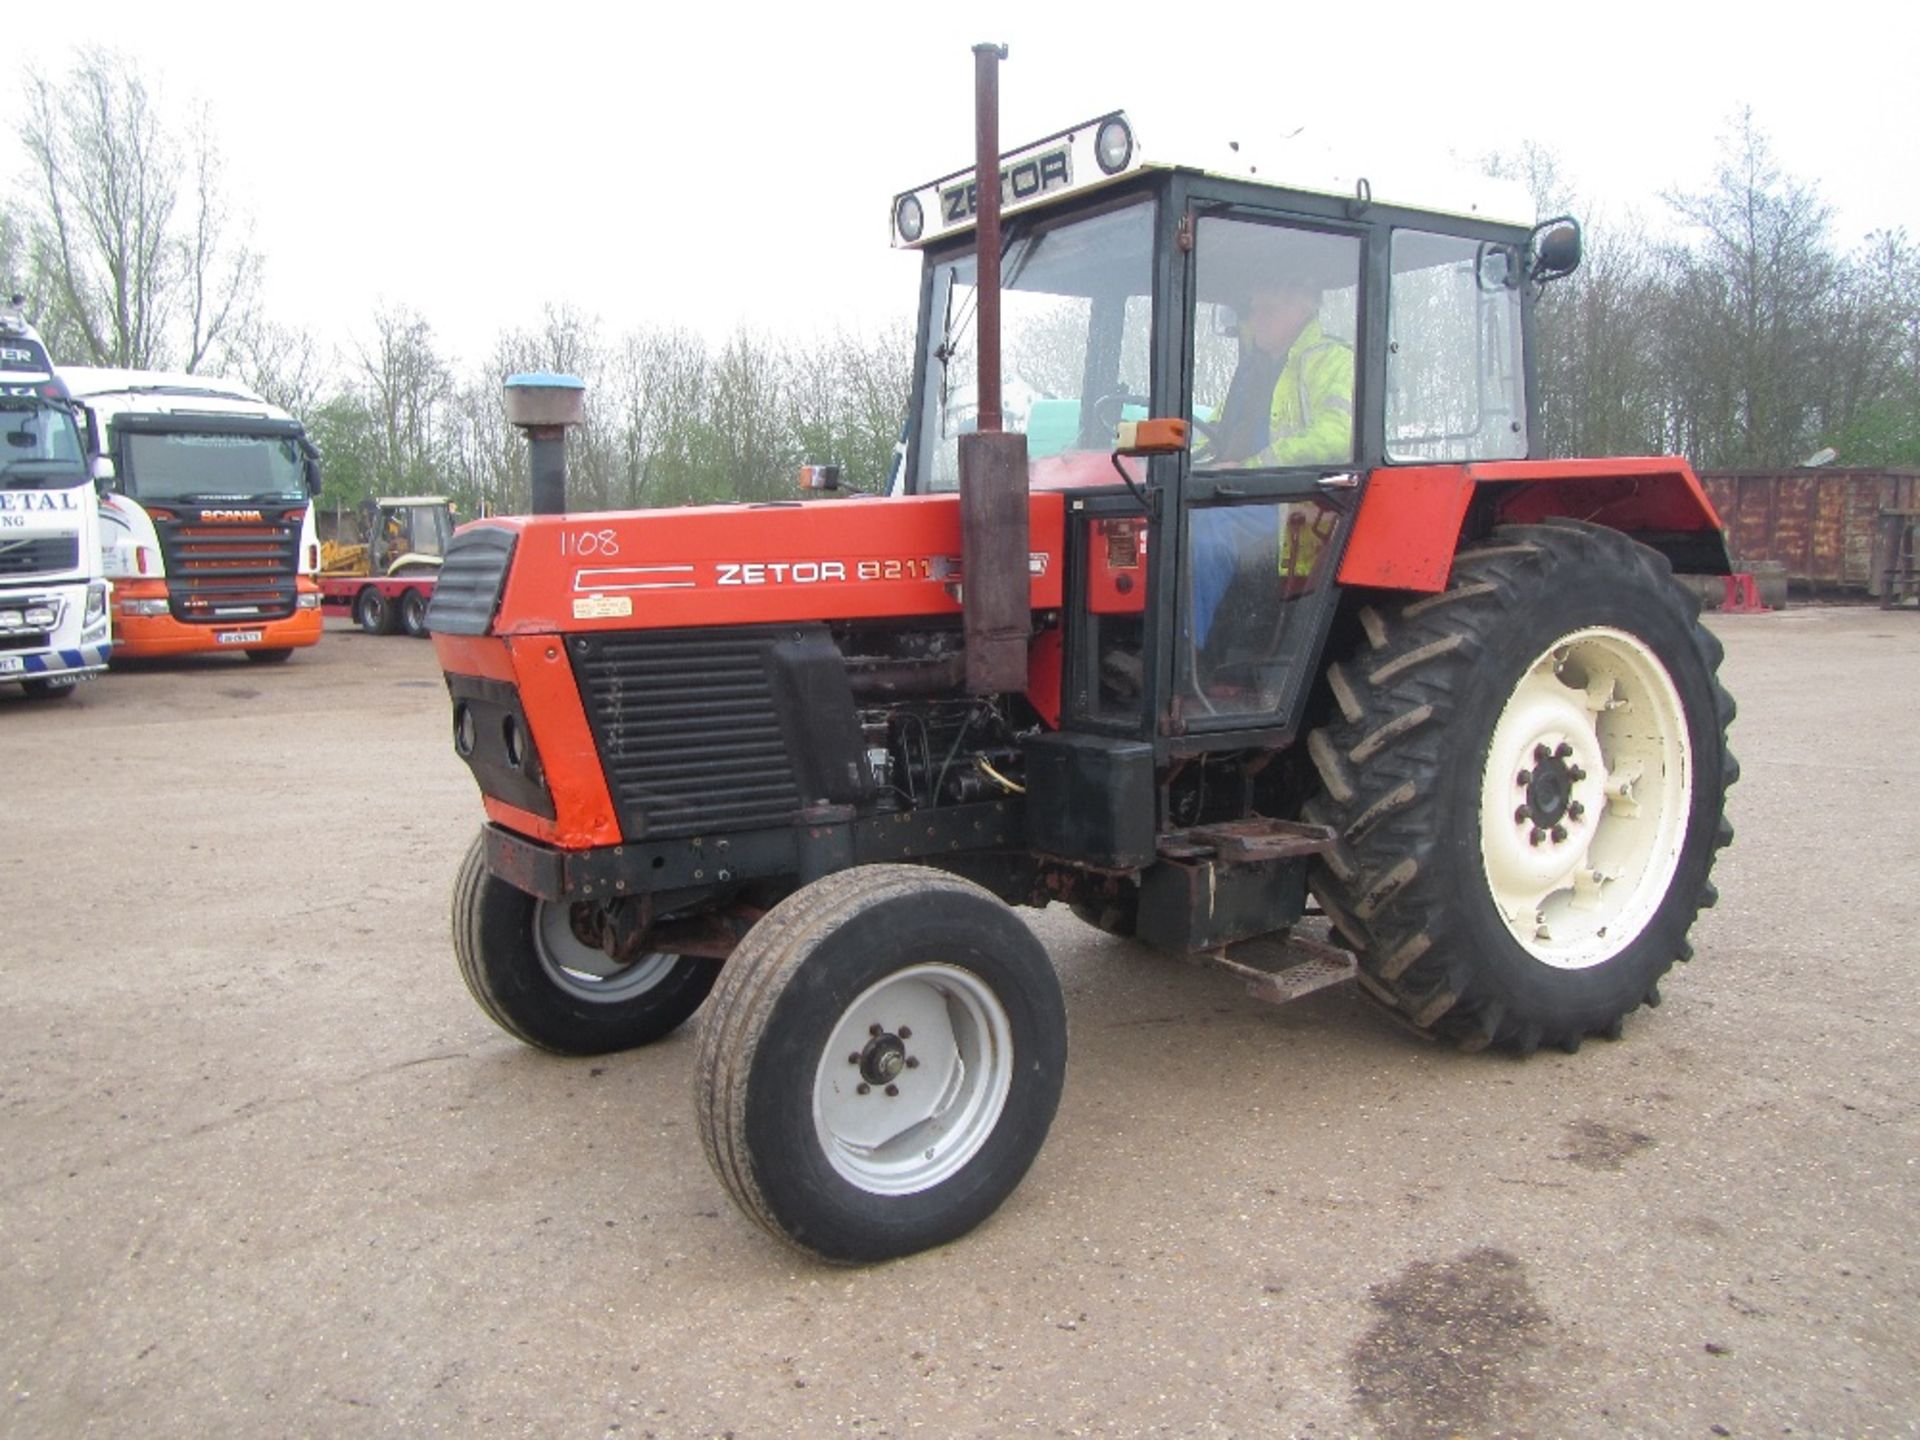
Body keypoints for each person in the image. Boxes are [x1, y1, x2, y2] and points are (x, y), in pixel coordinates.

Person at [1190, 277, 1355, 649]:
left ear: (1304, 308)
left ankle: (1182, 651)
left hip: (1302, 502)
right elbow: (1214, 432)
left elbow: (1338, 435)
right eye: (1252, 310)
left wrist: (1249, 468)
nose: (1255, 319)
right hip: (1246, 495)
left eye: (1267, 310)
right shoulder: (1252, 373)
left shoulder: (1331, 361)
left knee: (1206, 524)